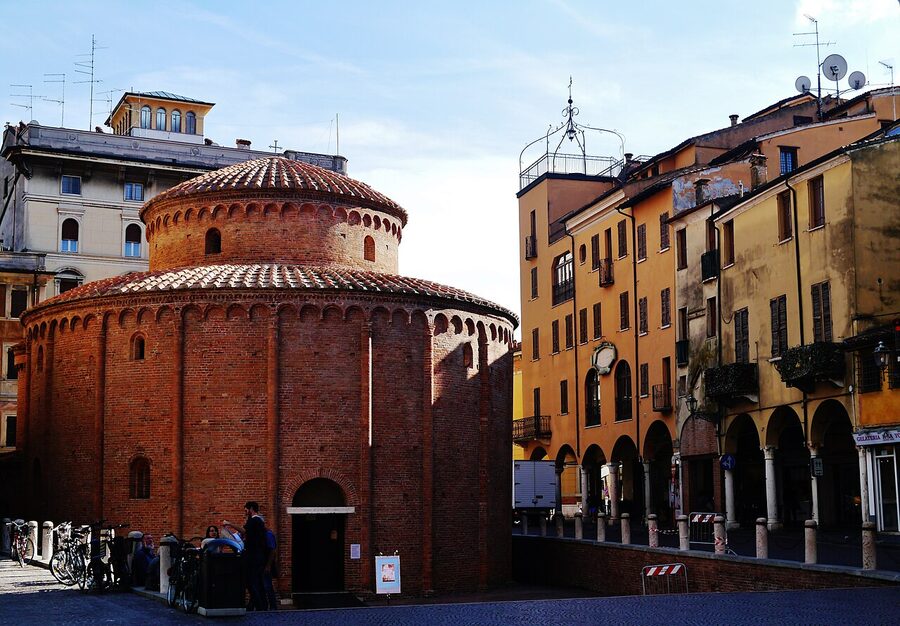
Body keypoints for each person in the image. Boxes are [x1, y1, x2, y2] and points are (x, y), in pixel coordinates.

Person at [224, 501, 268, 610]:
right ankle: (259, 605)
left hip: (253, 556)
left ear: (251, 509)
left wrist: (229, 524)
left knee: (250, 581)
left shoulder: (254, 520)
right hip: (258, 555)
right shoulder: (259, 521)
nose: (245, 512)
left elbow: (244, 530)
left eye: (246, 510)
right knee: (256, 582)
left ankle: (258, 605)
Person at [263, 528, 277, 610]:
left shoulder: (268, 534)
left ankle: (273, 606)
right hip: (263, 564)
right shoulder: (264, 534)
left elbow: (272, 550)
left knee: (267, 586)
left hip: (265, 564)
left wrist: (268, 565)